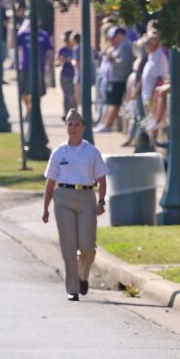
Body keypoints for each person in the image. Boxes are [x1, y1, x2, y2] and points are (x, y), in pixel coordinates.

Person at [41, 111, 108, 301]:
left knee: (87, 246)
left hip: (86, 197)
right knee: (68, 245)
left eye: (77, 124)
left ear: (83, 128)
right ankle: (72, 287)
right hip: (63, 198)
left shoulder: (91, 152)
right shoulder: (59, 152)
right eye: (70, 124)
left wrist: (101, 201)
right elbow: (50, 182)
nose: (73, 128)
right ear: (66, 128)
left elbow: (102, 180)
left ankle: (83, 275)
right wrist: (46, 208)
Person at [95, 27, 133, 133]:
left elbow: (125, 63)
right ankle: (104, 123)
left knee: (114, 103)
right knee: (110, 102)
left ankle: (108, 125)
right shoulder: (119, 45)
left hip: (119, 78)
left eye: (114, 37)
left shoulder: (125, 46)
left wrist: (112, 59)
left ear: (120, 35)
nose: (113, 39)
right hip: (114, 78)